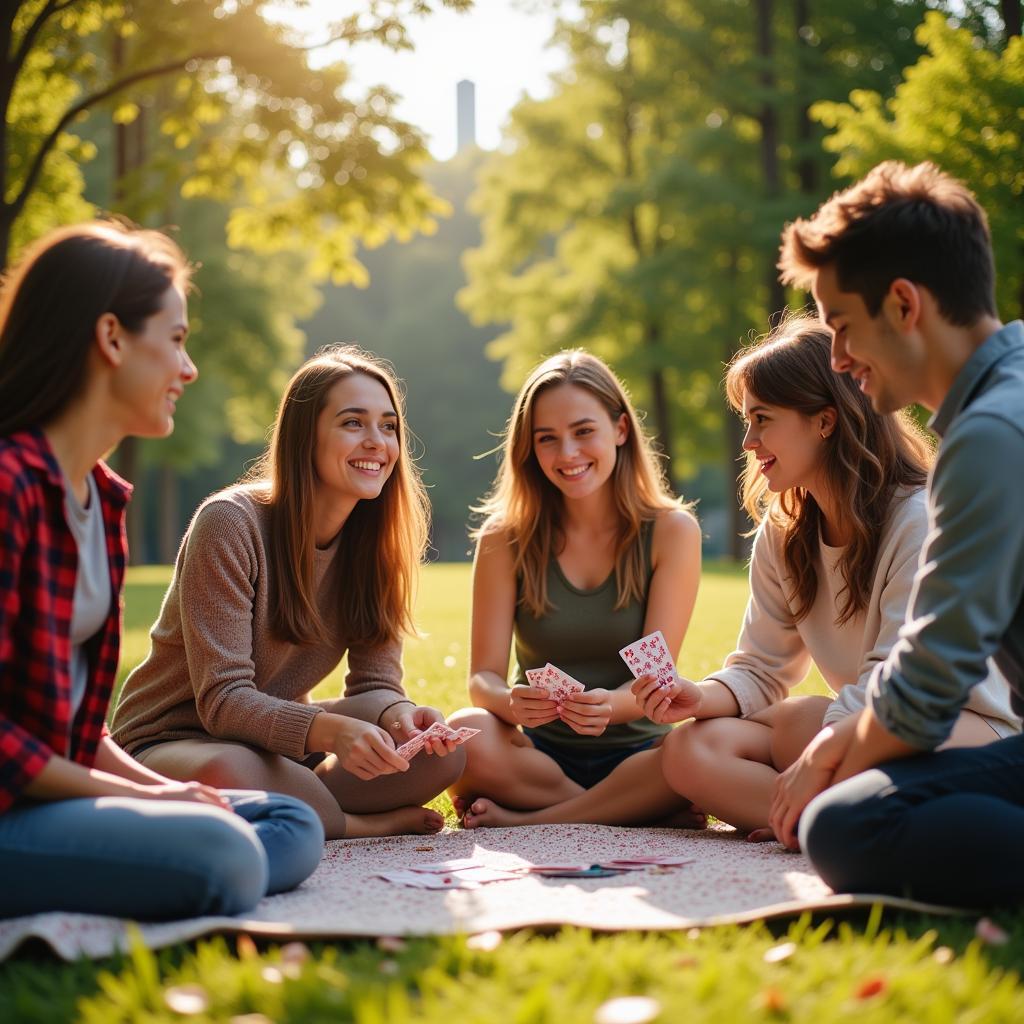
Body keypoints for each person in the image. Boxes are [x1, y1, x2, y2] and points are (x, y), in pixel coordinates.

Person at [0, 223, 323, 920]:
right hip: (10, 806)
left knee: (292, 825)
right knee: (225, 848)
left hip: (52, 793)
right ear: (112, 338)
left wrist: (164, 795)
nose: (189, 368)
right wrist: (153, 800)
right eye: (175, 340)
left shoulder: (99, 498)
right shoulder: (10, 487)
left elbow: (82, 730)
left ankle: (153, 860)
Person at [631, 314, 1017, 834]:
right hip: (861, 722)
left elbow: (898, 685)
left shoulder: (918, 518)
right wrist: (696, 696)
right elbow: (760, 667)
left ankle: (827, 820)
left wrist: (821, 757)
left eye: (763, 419)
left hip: (962, 729)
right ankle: (821, 822)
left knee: (807, 734)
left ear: (825, 421)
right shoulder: (785, 528)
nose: (748, 441)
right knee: (690, 749)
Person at [766, 160, 1024, 907]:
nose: (839, 359)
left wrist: (826, 753)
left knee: (847, 825)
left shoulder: (990, 434)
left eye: (842, 325)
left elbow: (929, 687)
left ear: (905, 304)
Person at [111, 345, 465, 841]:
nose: (377, 443)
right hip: (175, 739)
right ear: (305, 437)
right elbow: (224, 702)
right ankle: (351, 824)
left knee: (439, 756)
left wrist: (399, 717)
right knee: (234, 771)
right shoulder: (230, 523)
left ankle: (301, 800)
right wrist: (331, 733)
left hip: (278, 744)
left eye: (389, 427)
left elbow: (374, 685)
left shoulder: (378, 542)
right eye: (352, 423)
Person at [447, 350, 704, 829]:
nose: (567, 454)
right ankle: (623, 812)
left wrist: (610, 706)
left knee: (702, 749)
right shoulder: (504, 538)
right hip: (541, 757)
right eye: (547, 439)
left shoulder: (672, 531)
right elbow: (483, 677)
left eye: (584, 431)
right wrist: (509, 702)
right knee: (467, 731)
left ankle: (537, 820)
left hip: (641, 753)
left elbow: (657, 681)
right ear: (530, 448)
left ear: (620, 430)